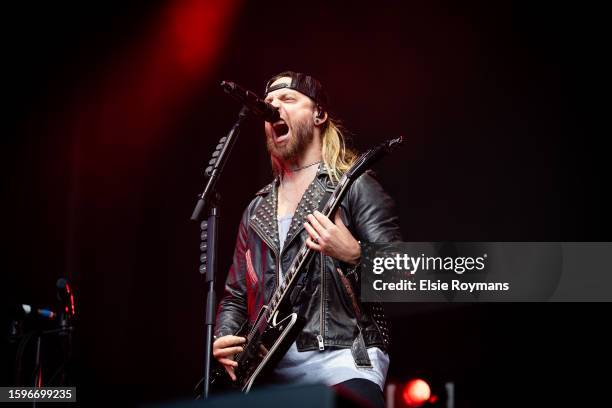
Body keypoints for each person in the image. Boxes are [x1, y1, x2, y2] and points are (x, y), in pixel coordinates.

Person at [213, 71, 401, 408]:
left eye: (287, 100)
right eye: (268, 104)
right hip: (267, 375)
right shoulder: (256, 210)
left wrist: (355, 255)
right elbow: (236, 294)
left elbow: (403, 275)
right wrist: (224, 337)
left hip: (343, 362)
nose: (273, 109)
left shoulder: (354, 185)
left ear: (319, 115)